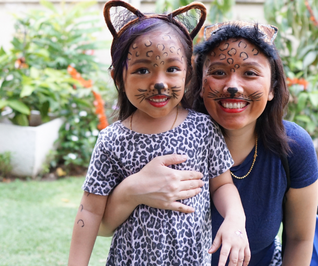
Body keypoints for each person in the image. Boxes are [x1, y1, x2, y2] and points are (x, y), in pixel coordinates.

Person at [99, 20, 318, 266]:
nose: (233, 87)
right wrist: (132, 191)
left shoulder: (293, 147)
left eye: (250, 73)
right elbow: (102, 226)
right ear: (200, 84)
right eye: (218, 72)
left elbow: (300, 238)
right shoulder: (157, 137)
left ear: (272, 88)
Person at [68, 1, 250, 266]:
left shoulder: (203, 128)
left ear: (188, 74)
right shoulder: (111, 141)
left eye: (172, 69)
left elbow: (221, 185)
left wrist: (235, 217)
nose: (160, 82)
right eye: (143, 70)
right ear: (119, 77)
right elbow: (91, 211)